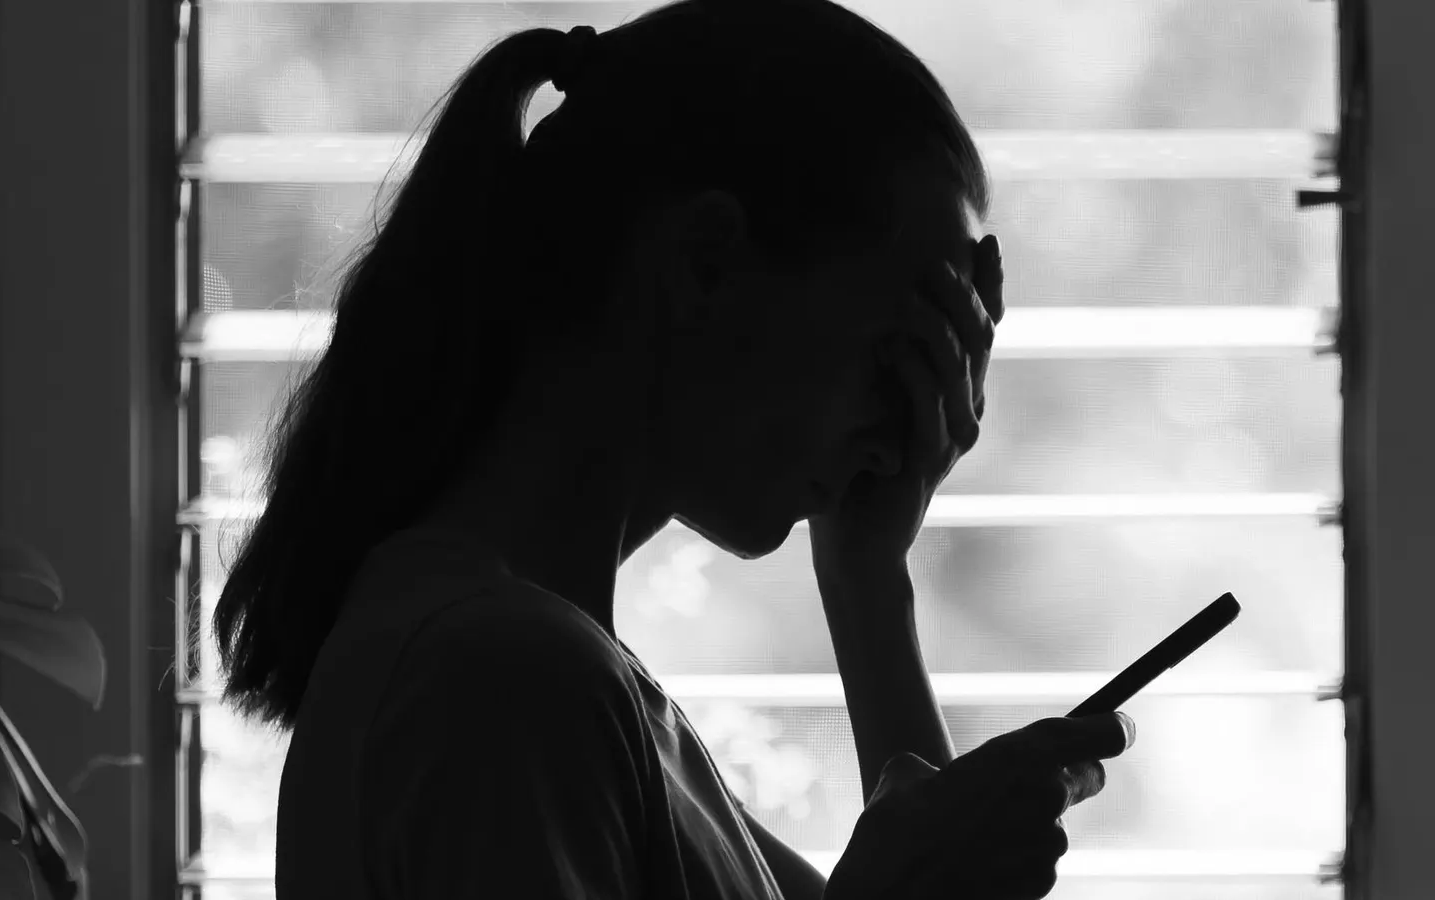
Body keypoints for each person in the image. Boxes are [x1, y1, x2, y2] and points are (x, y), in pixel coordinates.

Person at [212, 0, 1135, 898]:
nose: (904, 434)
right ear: (703, 264)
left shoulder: (561, 681)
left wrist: (867, 577)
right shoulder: (504, 680)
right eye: (894, 354)